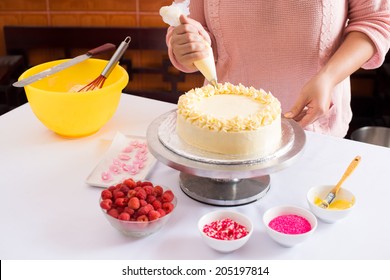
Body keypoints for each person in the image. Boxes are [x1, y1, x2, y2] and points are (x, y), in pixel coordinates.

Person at [165, 0, 390, 137]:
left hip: (313, 130)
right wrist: (186, 46)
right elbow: (191, 24)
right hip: (223, 129)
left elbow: (376, 21)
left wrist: (328, 78)